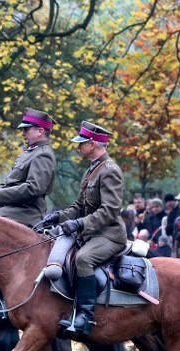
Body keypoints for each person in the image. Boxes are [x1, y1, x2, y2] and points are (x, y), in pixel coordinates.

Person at [39, 121, 127, 337]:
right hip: (91, 232)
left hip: (109, 234)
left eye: (82, 143)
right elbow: (79, 206)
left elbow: (110, 211)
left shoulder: (109, 170)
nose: (78, 147)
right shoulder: (92, 170)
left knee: (83, 259)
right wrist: (58, 216)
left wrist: (79, 224)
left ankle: (86, 316)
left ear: (93, 144)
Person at [0, 107, 57, 226]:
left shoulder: (43, 154)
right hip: (10, 207)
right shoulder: (31, 152)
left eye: (26, 130)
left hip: (26, 211)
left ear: (40, 131)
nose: (23, 134)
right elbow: (10, 184)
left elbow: (33, 189)